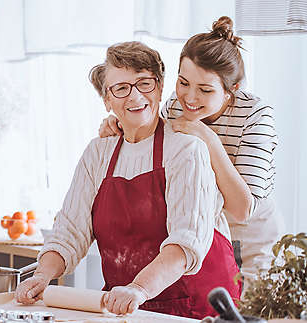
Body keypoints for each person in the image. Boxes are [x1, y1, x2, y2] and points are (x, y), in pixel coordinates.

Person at [15, 41, 241, 319]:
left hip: (192, 307)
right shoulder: (98, 152)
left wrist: (139, 288)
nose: (135, 97)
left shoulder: (186, 149)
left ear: (159, 88)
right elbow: (70, 232)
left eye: (144, 83)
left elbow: (186, 242)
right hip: (125, 305)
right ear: (107, 100)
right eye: (121, 88)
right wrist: (42, 275)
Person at [98, 16, 282, 285]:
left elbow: (243, 210)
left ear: (233, 90)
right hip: (202, 228)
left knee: (248, 308)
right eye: (183, 83)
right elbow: (154, 140)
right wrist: (121, 122)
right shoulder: (175, 106)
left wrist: (207, 137)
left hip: (248, 233)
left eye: (205, 90)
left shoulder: (256, 116)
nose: (190, 98)